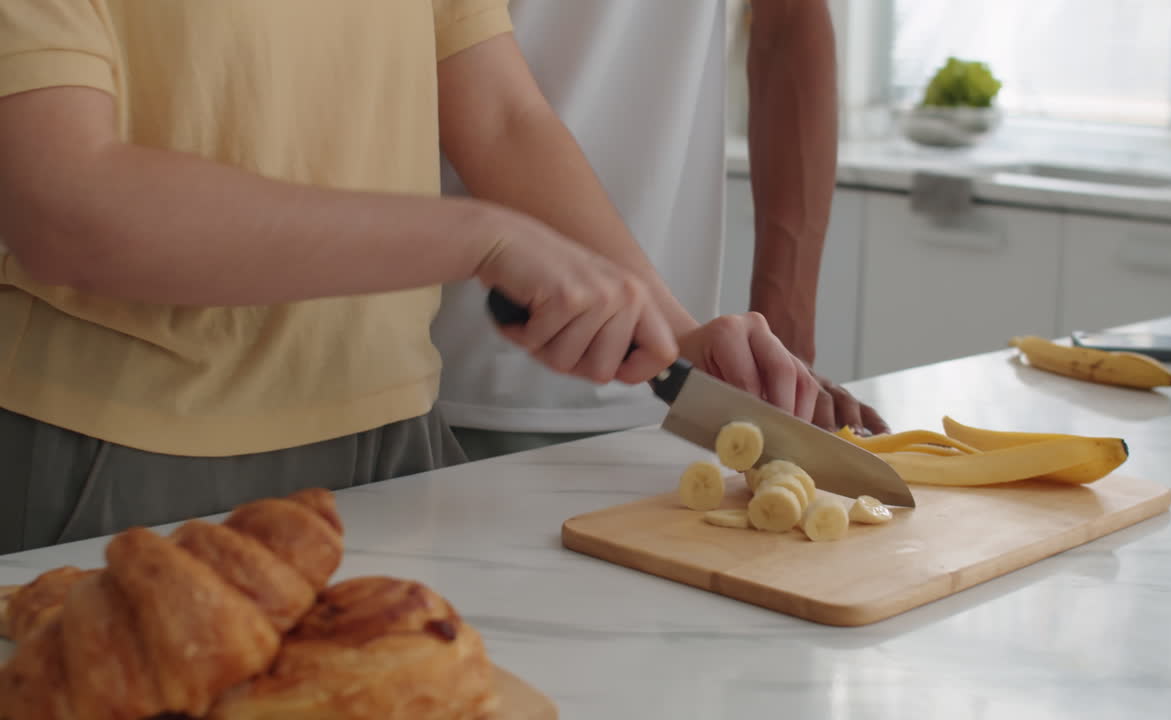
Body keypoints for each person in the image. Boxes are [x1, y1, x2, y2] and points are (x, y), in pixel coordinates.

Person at [0, 1, 837, 554]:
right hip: (128, 459)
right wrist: (479, 235)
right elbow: (63, 207)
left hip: (399, 443)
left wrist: (673, 330)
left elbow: (504, 117)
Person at [434, 0, 889, 462]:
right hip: (464, 364)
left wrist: (780, 359)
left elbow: (790, 22)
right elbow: (494, 107)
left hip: (686, 381)